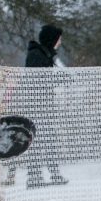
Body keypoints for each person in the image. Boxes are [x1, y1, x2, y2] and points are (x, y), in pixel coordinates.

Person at [23, 24, 66, 187]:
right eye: (59, 38)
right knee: (36, 141)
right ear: (52, 39)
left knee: (50, 141)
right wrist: (58, 80)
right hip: (36, 107)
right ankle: (34, 177)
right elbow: (36, 80)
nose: (60, 42)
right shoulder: (36, 55)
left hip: (45, 106)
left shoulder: (47, 55)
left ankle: (54, 174)